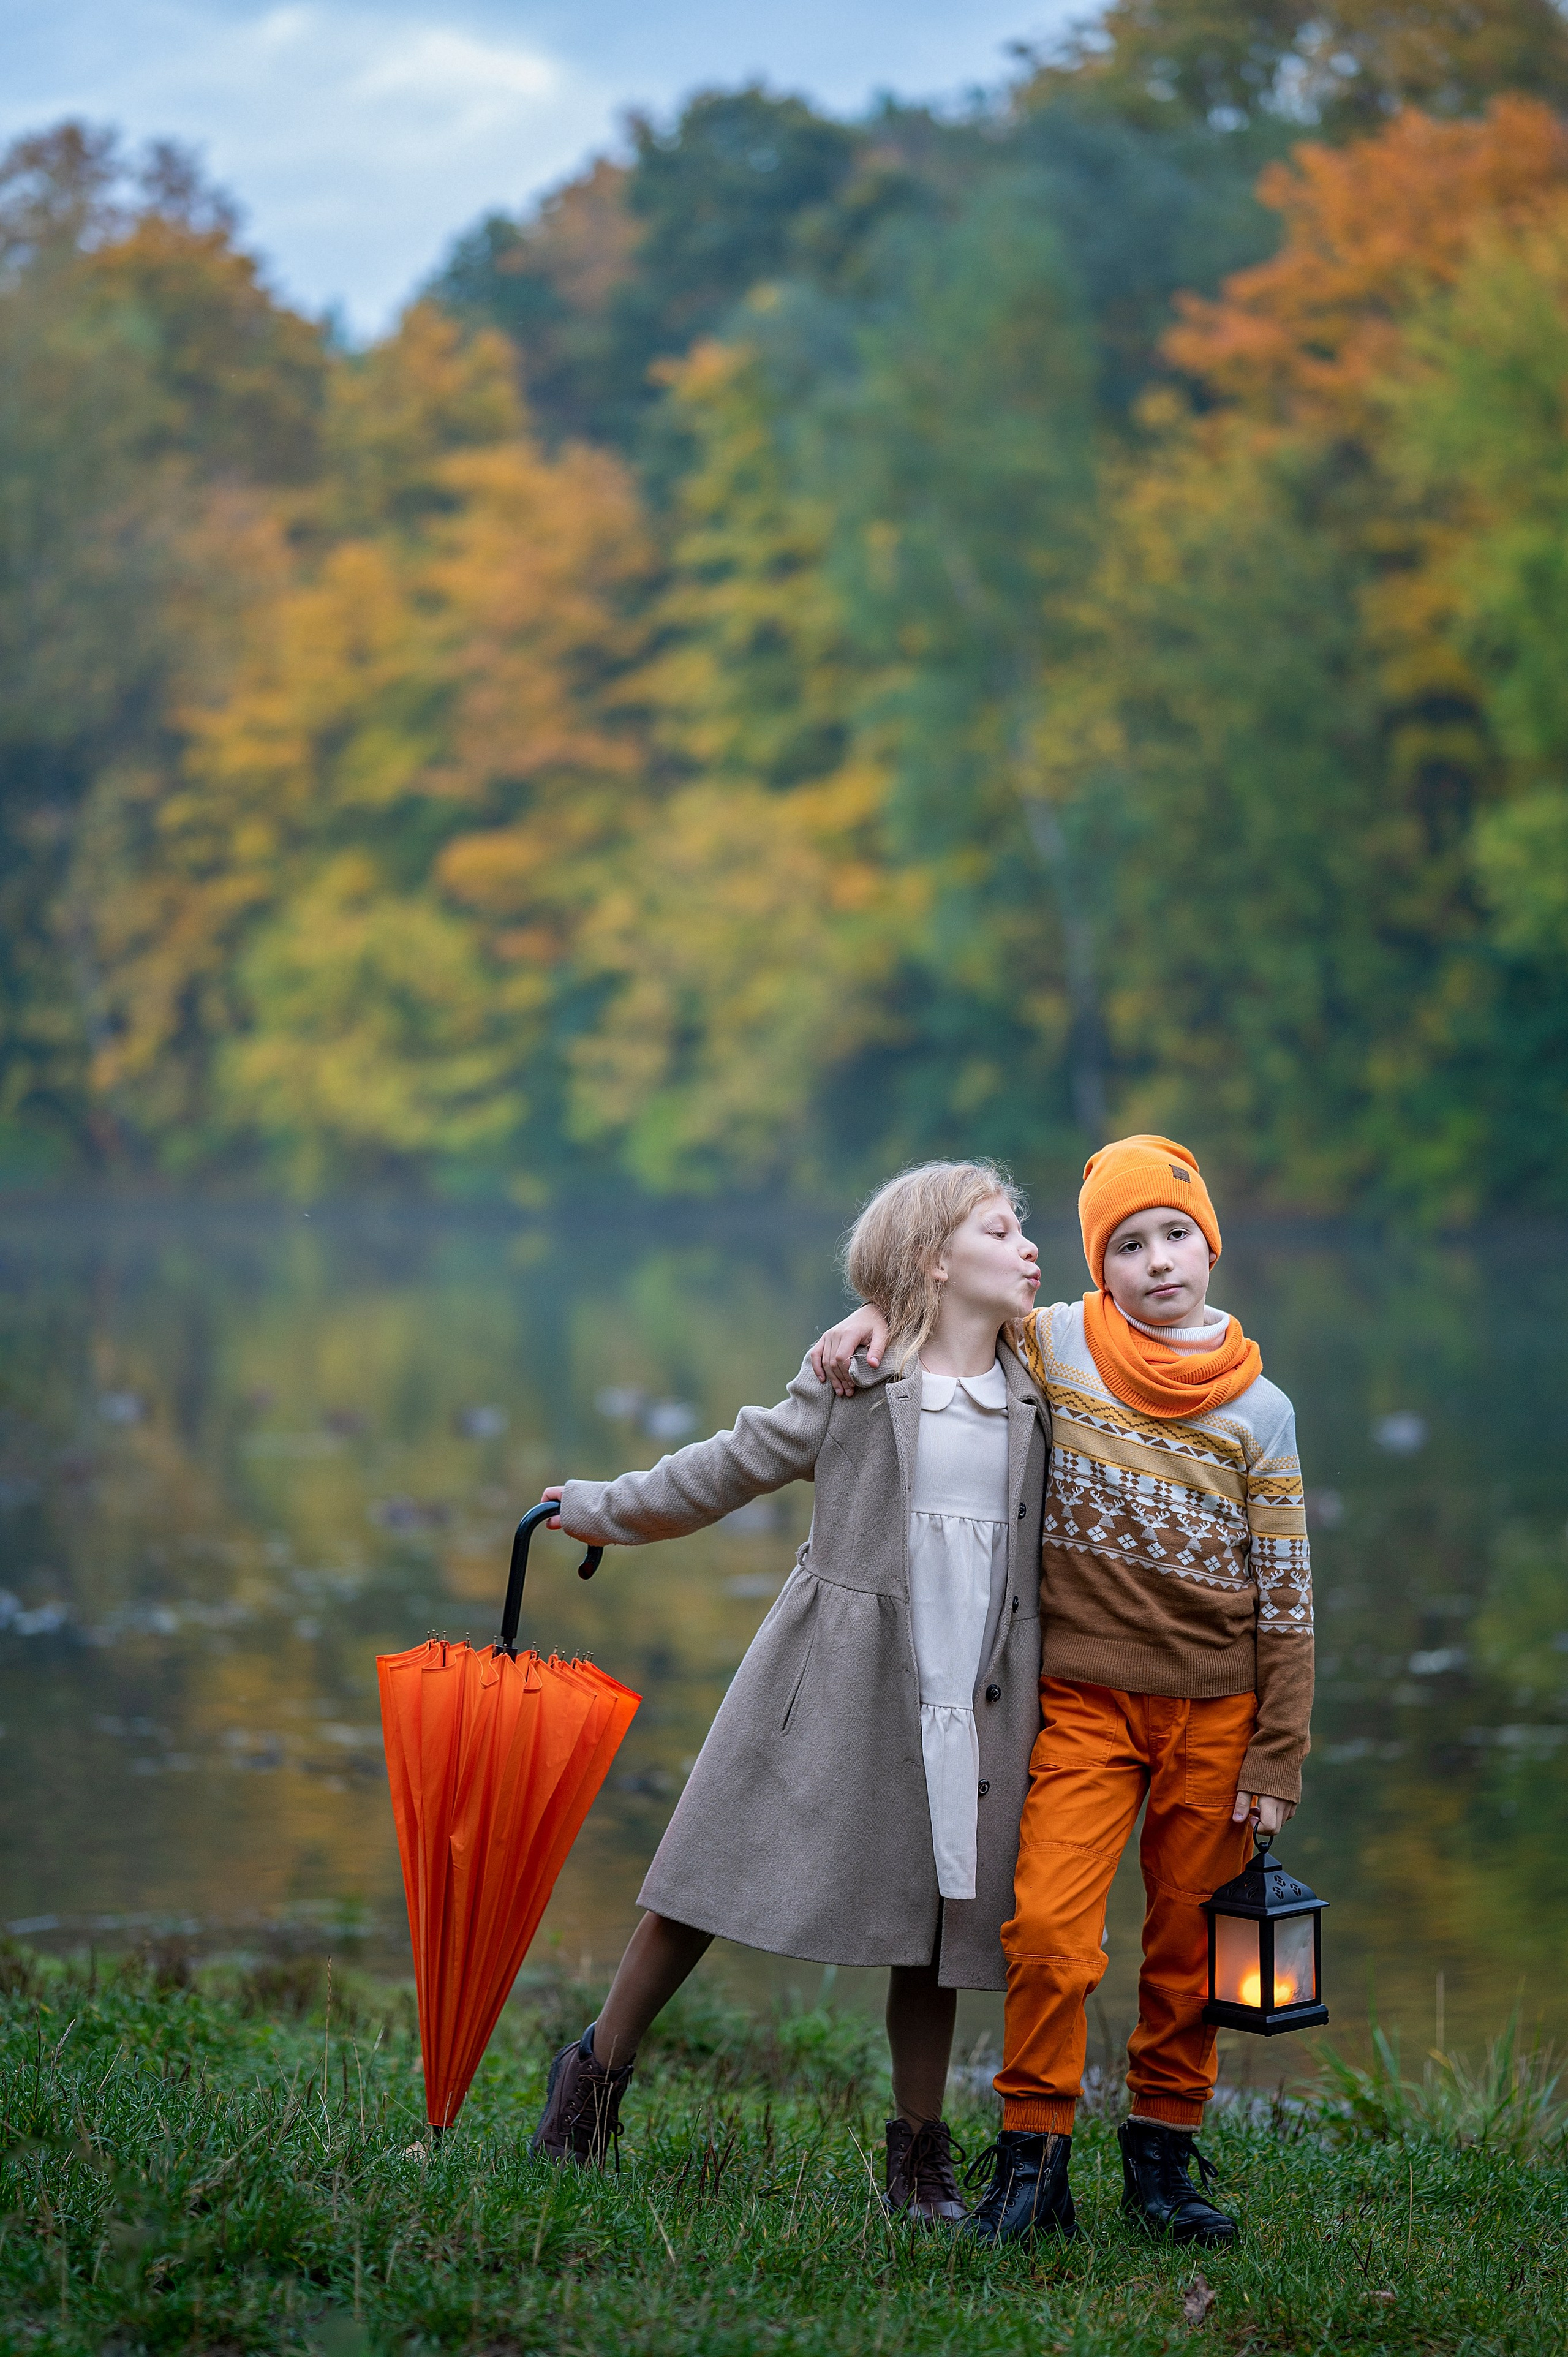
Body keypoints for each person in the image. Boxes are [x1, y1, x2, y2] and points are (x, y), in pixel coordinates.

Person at [809, 1134, 1313, 2247]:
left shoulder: (1260, 1411)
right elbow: (951, 1322)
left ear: (1211, 1246)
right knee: (1047, 1930)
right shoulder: (1059, 1347)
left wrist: (1276, 1759)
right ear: (1102, 1266)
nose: (1158, 1262)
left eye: (1177, 1235)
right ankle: (1033, 2161)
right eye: (1128, 1245)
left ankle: (1164, 2162)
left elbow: (1286, 1598)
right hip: (1085, 1702)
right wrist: (873, 1321)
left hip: (1219, 1717)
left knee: (1189, 1946)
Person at [531, 1161, 1051, 2223]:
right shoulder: (859, 1380)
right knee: (709, 1866)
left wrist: (877, 1303)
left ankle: (918, 2159)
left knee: (941, 1914)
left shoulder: (1044, 1380)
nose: (1030, 1248)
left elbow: (1147, 1323)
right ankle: (592, 2078)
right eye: (1001, 1231)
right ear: (934, 1262)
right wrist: (602, 1509)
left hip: (980, 1685)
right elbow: (729, 1465)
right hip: (839, 1671)